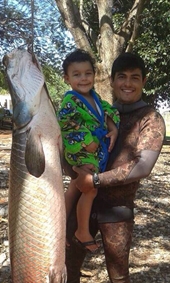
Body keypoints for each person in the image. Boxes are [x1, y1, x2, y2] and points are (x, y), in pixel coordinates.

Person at [56, 52, 166, 283]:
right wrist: (77, 171)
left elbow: (142, 166)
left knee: (118, 275)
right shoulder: (95, 109)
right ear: (113, 80)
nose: (127, 83)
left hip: (116, 207)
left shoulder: (151, 118)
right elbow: (69, 147)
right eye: (122, 77)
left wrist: (96, 181)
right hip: (83, 202)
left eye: (134, 77)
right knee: (70, 266)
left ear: (143, 82)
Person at [58, 49, 120, 253]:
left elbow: (109, 111)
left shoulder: (95, 98)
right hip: (82, 151)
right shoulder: (70, 101)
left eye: (87, 73)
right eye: (77, 74)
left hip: (95, 151)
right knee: (90, 189)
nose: (83, 78)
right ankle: (82, 231)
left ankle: (59, 227)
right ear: (67, 78)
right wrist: (85, 141)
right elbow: (66, 124)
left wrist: (113, 128)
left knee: (76, 188)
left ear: (94, 74)